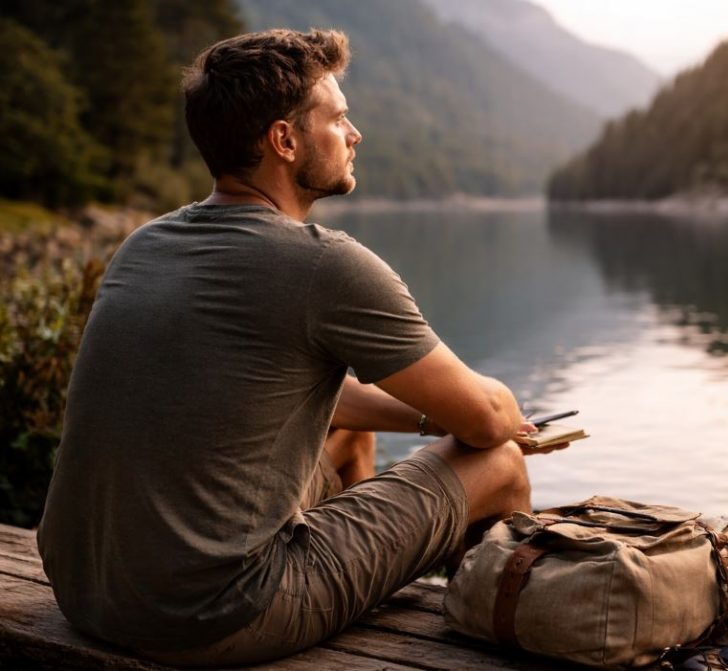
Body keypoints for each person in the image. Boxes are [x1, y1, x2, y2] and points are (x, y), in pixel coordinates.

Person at [37, 28, 559, 666]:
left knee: (350, 434)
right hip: (215, 616)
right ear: (284, 141)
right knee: (500, 461)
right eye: (337, 118)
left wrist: (427, 418)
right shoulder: (323, 266)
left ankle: (361, 583)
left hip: (86, 591)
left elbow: (288, 389)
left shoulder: (145, 244)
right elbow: (487, 421)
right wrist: (498, 412)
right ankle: (477, 641)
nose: (354, 134)